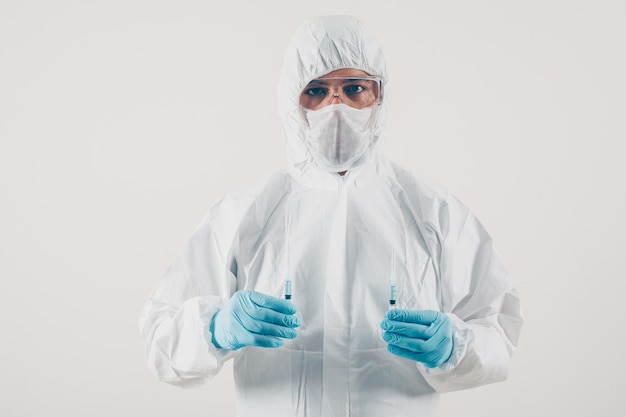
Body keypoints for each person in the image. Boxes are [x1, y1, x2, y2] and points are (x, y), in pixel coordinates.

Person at [139, 15, 523, 417]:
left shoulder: (434, 213)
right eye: (317, 90)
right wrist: (215, 329)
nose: (335, 106)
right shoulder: (244, 213)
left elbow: (498, 331)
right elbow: (159, 340)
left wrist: (454, 346)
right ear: (292, 99)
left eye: (354, 88)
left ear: (380, 97)